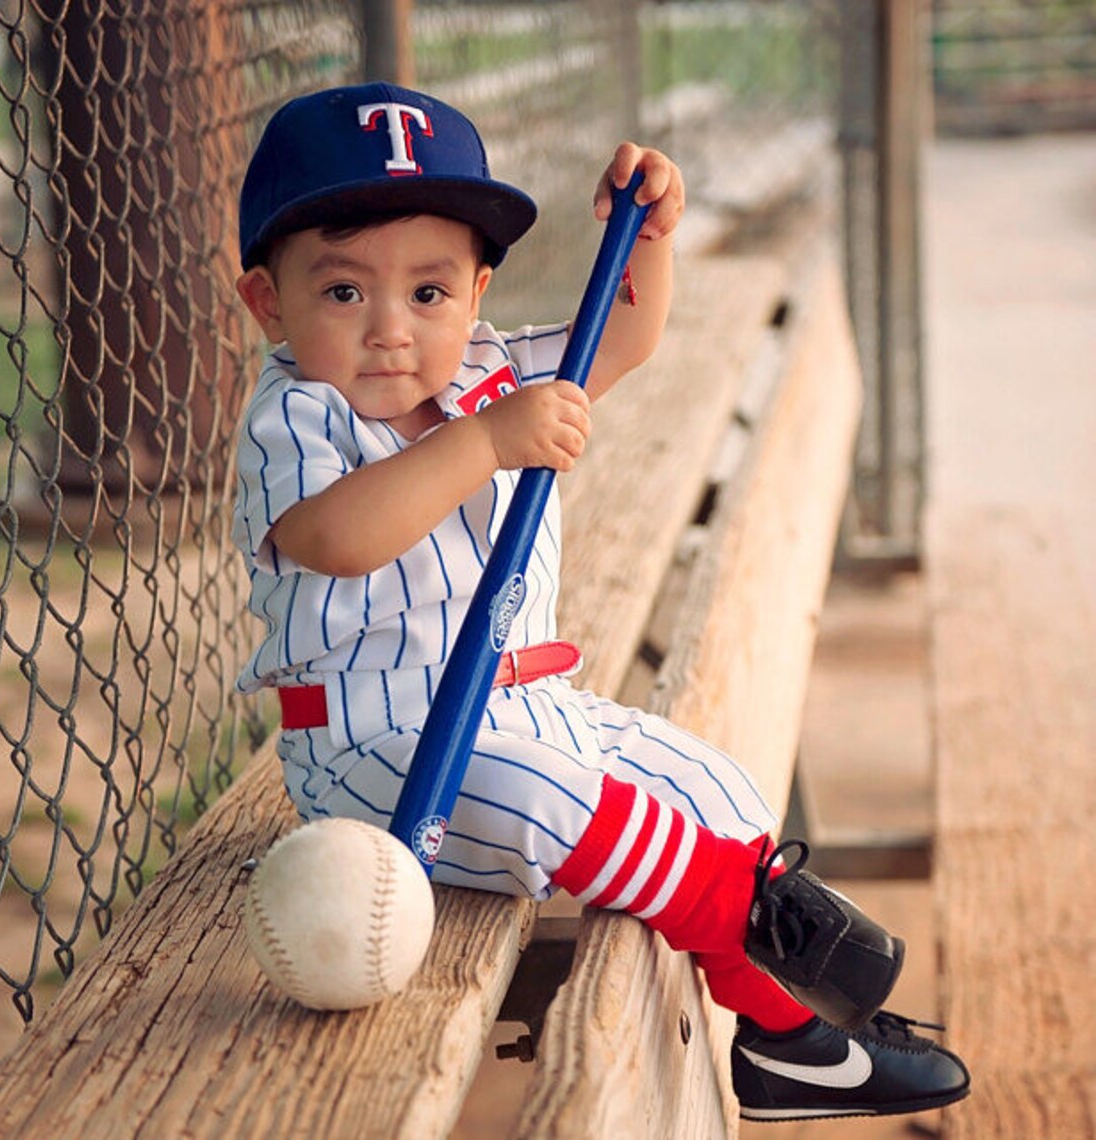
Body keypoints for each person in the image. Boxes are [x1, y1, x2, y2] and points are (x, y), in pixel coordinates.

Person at [231, 82, 969, 1122]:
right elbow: (338, 538)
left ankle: (780, 1045)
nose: (392, 331)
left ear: (478, 292)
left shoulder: (488, 373)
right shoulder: (296, 414)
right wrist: (485, 443)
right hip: (385, 749)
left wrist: (652, 235)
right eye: (344, 293)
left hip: (529, 706)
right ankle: (773, 953)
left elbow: (620, 340)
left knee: (716, 788)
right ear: (269, 300)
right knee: (559, 810)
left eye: (429, 294)